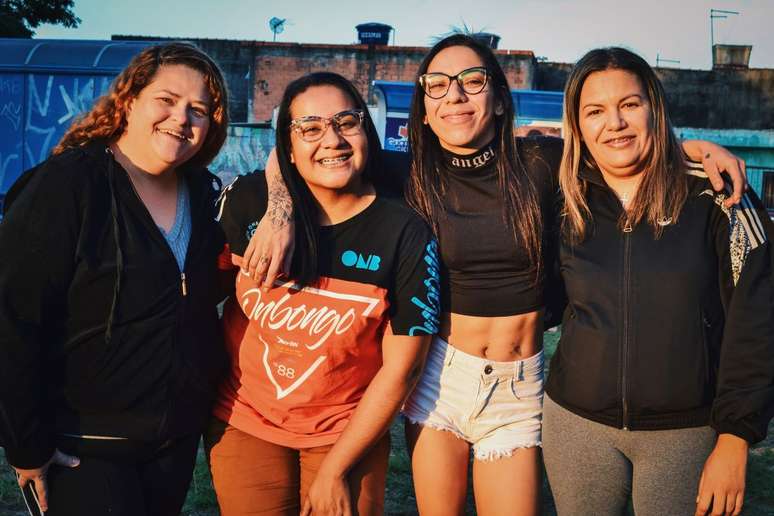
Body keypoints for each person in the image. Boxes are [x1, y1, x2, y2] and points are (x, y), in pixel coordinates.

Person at [243, 35, 749, 515]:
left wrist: (698, 149)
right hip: (439, 379)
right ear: (424, 106)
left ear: (500, 100)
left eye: (472, 81)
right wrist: (280, 209)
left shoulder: (542, 163)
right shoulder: (406, 172)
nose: (455, 95)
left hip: (517, 386)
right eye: (437, 85)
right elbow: (299, 147)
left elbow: (619, 147)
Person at [541, 47, 774, 516]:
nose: (615, 123)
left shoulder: (718, 193)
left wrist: (734, 438)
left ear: (654, 107)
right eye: (595, 111)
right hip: (576, 425)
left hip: (685, 434)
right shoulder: (564, 196)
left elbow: (759, 317)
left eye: (629, 104)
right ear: (578, 125)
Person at [0, 42, 229, 516]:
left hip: (173, 440)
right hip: (84, 445)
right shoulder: (67, 185)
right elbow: (13, 319)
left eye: (198, 109)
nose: (181, 118)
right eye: (166, 100)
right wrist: (26, 442)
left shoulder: (205, 196)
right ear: (129, 100)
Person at [204, 72, 437, 516]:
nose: (332, 139)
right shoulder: (249, 203)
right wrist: (279, 205)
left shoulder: (403, 231)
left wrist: (335, 470)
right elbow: (192, 296)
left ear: (366, 131)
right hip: (245, 418)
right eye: (310, 128)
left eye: (346, 122)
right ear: (288, 146)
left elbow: (403, 368)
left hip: (346, 429)